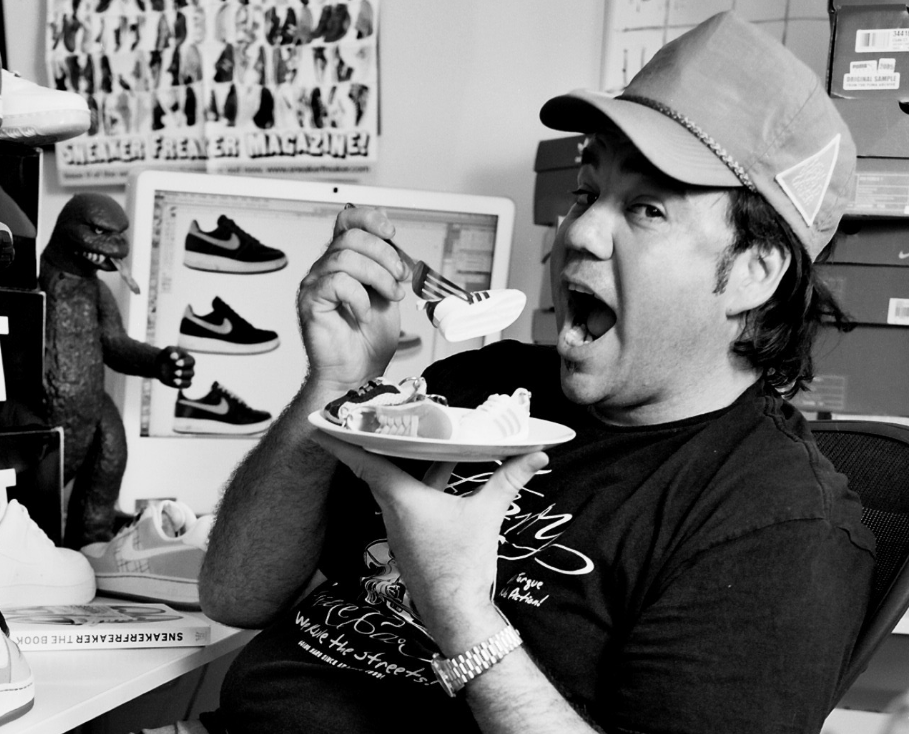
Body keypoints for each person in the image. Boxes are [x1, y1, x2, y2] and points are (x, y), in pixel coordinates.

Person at [195, 11, 876, 734]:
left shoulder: (779, 528)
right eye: (587, 194)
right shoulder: (472, 388)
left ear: (753, 273)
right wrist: (332, 388)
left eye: (645, 208)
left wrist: (457, 607)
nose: (577, 232)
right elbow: (236, 593)